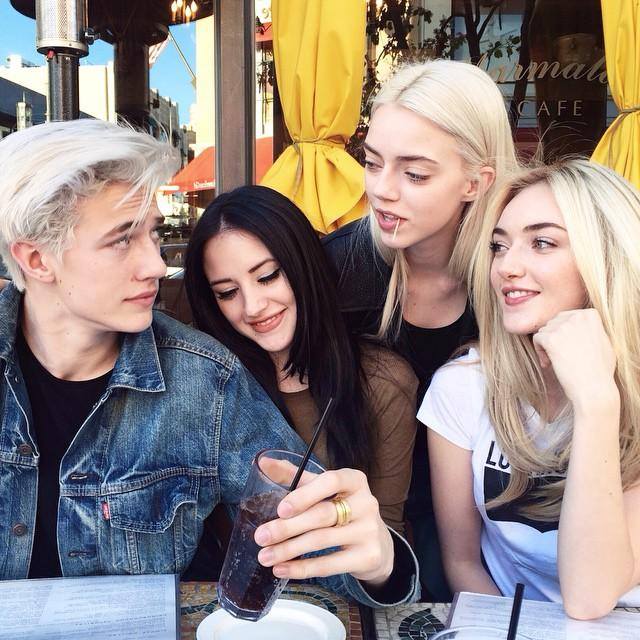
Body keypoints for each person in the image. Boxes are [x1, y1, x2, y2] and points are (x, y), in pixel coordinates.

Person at [0, 119, 419, 607]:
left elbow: (315, 547)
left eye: (153, 234)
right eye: (122, 239)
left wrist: (378, 559)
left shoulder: (206, 381)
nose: (157, 265)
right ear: (36, 260)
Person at [323, 59, 518, 600]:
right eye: (372, 163)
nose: (382, 190)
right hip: (367, 533)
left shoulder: (515, 280)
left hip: (498, 535)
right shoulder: (337, 271)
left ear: (476, 182)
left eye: (414, 174)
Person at [419, 159, 640, 618]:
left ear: (607, 258)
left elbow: (590, 596)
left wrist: (597, 401)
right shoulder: (462, 387)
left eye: (542, 243)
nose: (507, 267)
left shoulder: (623, 398)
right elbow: (462, 563)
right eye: (499, 246)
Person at [183, 184, 418, 535]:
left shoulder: (383, 382)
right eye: (227, 293)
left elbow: (389, 537)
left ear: (303, 264)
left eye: (267, 277)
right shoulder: (204, 385)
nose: (253, 306)